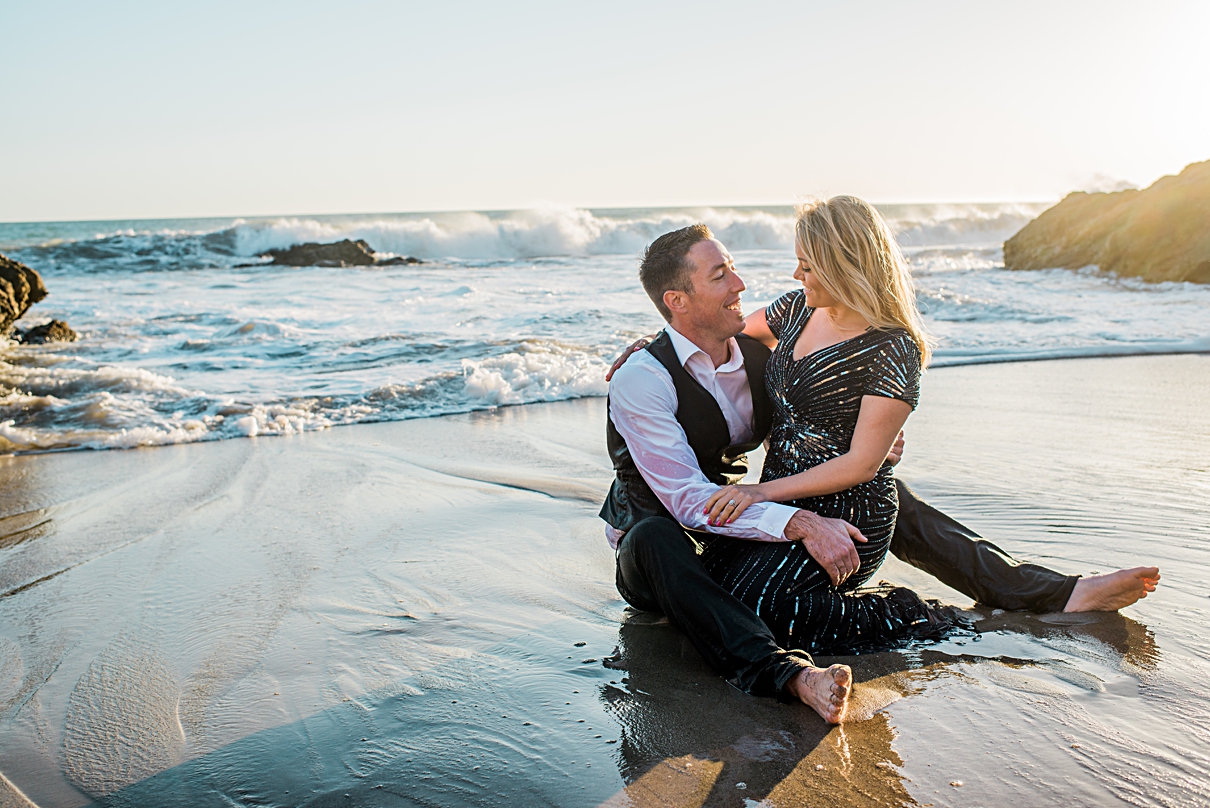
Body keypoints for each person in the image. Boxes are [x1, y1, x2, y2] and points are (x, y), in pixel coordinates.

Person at [600, 214, 1160, 724]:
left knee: (876, 486)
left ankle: (1051, 592)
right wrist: (795, 520)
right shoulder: (644, 379)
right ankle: (789, 674)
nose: (741, 284)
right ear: (677, 298)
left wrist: (866, 444)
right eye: (720, 274)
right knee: (657, 538)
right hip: (667, 539)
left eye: (733, 269)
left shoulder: (749, 348)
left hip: (745, 512)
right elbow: (688, 502)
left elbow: (807, 400)